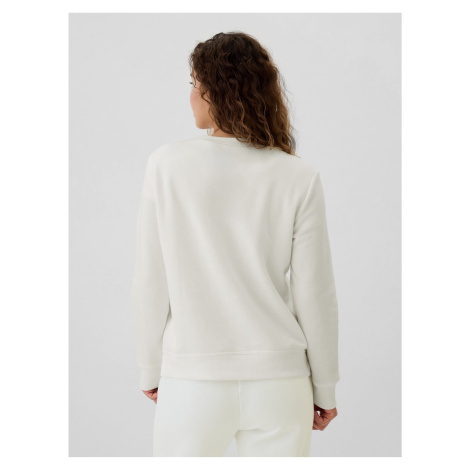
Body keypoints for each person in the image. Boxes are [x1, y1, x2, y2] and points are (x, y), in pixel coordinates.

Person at [131, 31, 340, 457]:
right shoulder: (298, 175)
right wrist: (324, 388)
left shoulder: (166, 165)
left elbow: (151, 279)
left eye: (195, 84)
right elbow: (316, 294)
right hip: (280, 382)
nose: (191, 96)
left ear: (216, 91)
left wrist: (151, 368)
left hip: (192, 380)